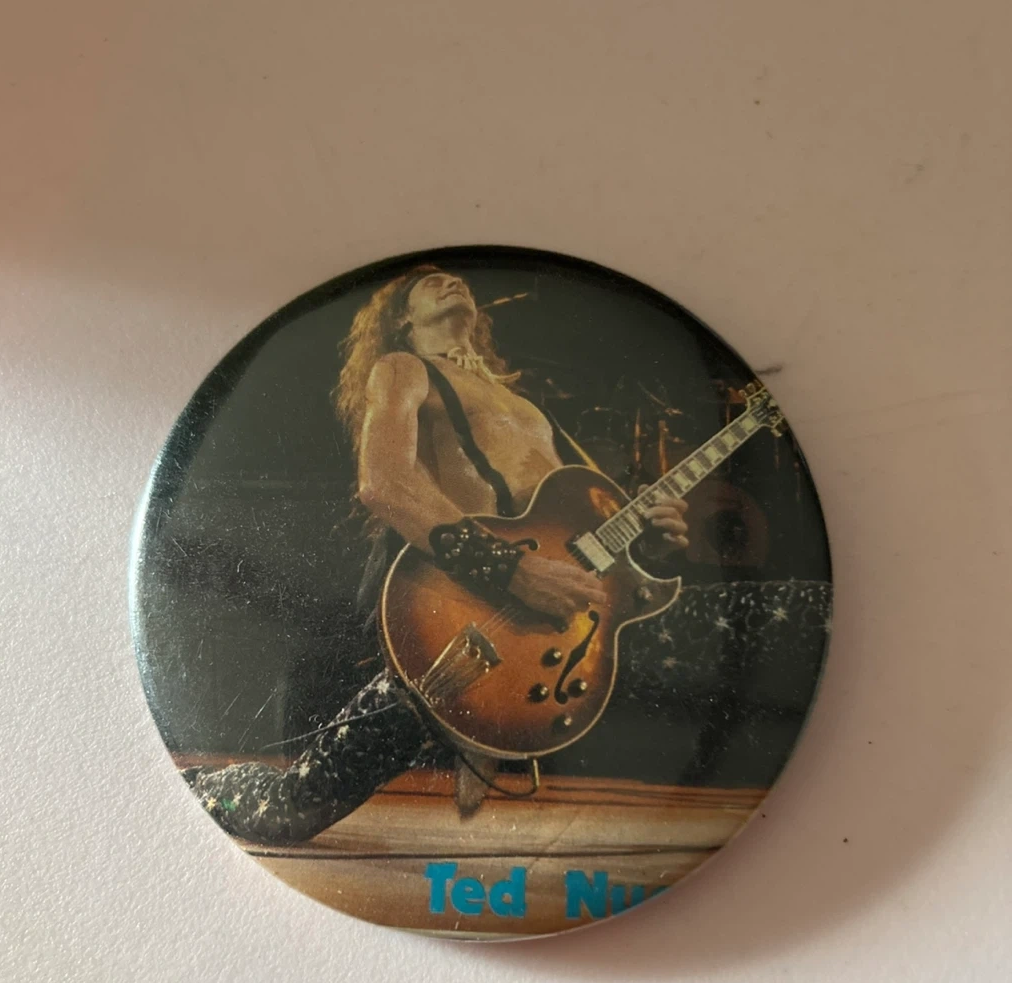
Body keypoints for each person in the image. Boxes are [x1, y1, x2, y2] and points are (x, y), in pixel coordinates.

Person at [185, 266, 829, 846]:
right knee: (287, 812)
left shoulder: (527, 406)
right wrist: (513, 571)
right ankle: (195, 786)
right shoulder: (404, 368)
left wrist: (649, 538)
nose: (451, 280)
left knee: (809, 607)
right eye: (429, 281)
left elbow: (585, 531)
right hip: (467, 622)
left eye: (458, 279)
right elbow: (384, 484)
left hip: (571, 633)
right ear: (402, 318)